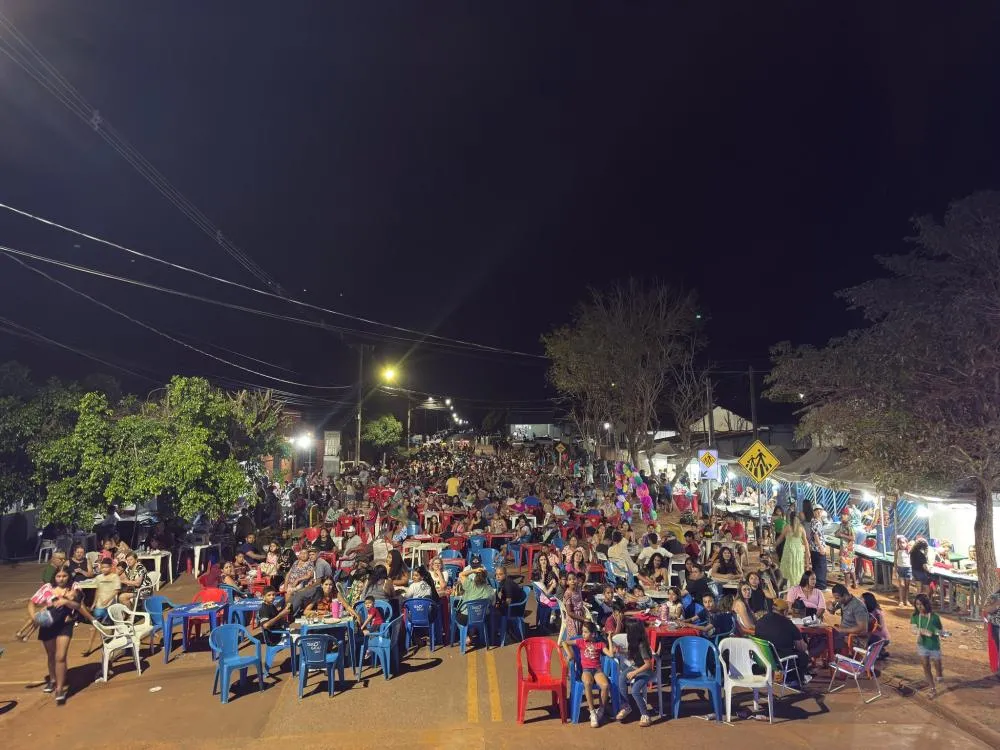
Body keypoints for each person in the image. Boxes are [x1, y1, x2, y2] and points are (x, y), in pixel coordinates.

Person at [28, 565, 92, 704]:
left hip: (65, 624)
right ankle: (52, 679)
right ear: (54, 577)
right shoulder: (47, 588)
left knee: (60, 656)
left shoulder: (74, 587)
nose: (61, 579)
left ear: (69, 576)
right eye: (58, 576)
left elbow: (77, 605)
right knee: (51, 655)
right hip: (48, 625)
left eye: (64, 576)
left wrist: (66, 601)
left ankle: (60, 688)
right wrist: (34, 618)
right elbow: (32, 602)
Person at [562, 620, 613, 727]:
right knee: (587, 683)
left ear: (593, 633)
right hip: (586, 670)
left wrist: (609, 640)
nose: (583, 634)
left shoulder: (600, 644)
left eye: (585, 632)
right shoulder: (580, 642)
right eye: (582, 632)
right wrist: (570, 654)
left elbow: (611, 655)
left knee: (605, 685)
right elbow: (564, 642)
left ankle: (601, 710)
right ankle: (592, 712)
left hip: (597, 670)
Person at [753, 599, 812, 687]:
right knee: (803, 656)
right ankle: (793, 681)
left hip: (763, 657)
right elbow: (801, 647)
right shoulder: (788, 623)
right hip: (780, 660)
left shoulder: (760, 621)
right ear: (784, 612)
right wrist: (807, 645)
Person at [615, 620, 654, 727]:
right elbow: (633, 657)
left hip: (645, 671)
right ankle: (626, 706)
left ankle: (645, 715)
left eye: (628, 630)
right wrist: (620, 652)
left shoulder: (642, 645)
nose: (626, 632)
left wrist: (634, 673)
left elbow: (648, 665)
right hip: (636, 667)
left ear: (633, 632)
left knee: (635, 690)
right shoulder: (634, 643)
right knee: (621, 678)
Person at [82, 557, 122, 657]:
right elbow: (97, 591)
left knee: (112, 627)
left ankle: (112, 647)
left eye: (106, 567)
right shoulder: (99, 578)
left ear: (111, 567)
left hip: (111, 606)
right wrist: (94, 603)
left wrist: (108, 600)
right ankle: (89, 647)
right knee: (95, 626)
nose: (104, 569)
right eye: (102, 567)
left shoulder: (115, 577)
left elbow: (116, 591)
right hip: (100, 606)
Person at [911, 593, 944, 697]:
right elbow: (913, 629)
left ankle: (939, 673)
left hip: (934, 645)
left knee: (937, 663)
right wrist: (922, 631)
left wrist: (941, 633)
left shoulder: (935, 617)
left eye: (921, 604)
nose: (919, 607)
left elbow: (940, 630)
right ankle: (932, 688)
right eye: (917, 604)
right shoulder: (915, 616)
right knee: (925, 665)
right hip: (922, 645)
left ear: (927, 604)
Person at [828, 583, 868, 652]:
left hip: (854, 638)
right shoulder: (843, 601)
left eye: (837, 598)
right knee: (824, 635)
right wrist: (829, 605)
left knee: (827, 639)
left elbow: (863, 628)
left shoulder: (858, 606)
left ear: (845, 595)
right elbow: (830, 603)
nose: (836, 600)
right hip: (843, 634)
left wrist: (841, 630)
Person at [778, 510, 809, 589]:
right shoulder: (801, 528)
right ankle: (797, 585)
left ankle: (788, 585)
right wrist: (808, 552)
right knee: (797, 567)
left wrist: (774, 545)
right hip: (798, 551)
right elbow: (806, 542)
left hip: (789, 551)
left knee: (788, 567)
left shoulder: (787, 527)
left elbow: (780, 538)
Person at [258, 587, 291, 651]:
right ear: (263, 597)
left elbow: (278, 618)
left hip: (279, 633)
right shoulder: (264, 609)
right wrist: (281, 615)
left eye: (273, 595)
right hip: (274, 639)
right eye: (269, 595)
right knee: (298, 641)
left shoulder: (271, 606)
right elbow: (265, 625)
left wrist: (284, 611)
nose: (272, 597)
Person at [862, 592, 890, 659]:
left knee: (864, 638)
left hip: (881, 638)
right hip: (878, 637)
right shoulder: (869, 611)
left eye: (862, 600)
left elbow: (880, 627)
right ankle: (880, 651)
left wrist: (873, 623)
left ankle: (878, 652)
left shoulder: (877, 611)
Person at [807, 507, 829, 590]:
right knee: (821, 567)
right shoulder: (816, 522)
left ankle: (816, 585)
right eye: (817, 511)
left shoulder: (816, 521)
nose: (819, 513)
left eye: (820, 511)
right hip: (817, 549)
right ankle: (821, 586)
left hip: (815, 548)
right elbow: (816, 536)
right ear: (814, 512)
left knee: (816, 567)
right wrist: (821, 547)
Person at [834, 513, 857, 588]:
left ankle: (847, 585)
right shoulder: (842, 525)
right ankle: (854, 583)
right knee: (850, 566)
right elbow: (837, 534)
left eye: (844, 515)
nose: (842, 516)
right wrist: (838, 534)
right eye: (842, 514)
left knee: (846, 567)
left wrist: (842, 535)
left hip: (847, 548)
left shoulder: (849, 526)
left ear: (848, 516)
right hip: (846, 548)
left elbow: (853, 538)